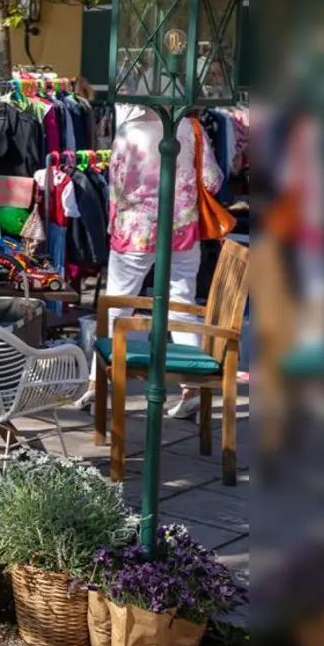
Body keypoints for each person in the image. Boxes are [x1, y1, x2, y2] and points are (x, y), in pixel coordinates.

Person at [75, 104, 223, 417]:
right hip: (180, 228)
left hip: (134, 231)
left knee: (118, 305)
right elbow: (211, 181)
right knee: (181, 301)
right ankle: (192, 386)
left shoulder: (129, 129)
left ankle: (95, 382)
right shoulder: (190, 126)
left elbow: (115, 181)